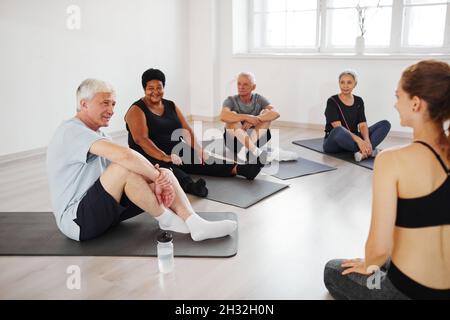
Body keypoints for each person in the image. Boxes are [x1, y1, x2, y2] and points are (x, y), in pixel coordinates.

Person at [46, 79, 237, 242]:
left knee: (166, 171)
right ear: (84, 104)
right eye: (105, 103)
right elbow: (125, 158)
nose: (111, 110)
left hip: (105, 211)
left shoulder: (100, 134)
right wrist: (156, 178)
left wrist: (159, 176)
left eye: (113, 104)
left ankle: (195, 223)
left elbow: (127, 168)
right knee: (129, 168)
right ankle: (166, 219)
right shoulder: (70, 131)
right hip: (78, 221)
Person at [324, 60, 450, 299]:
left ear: (415, 103)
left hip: (409, 290)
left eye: (398, 96)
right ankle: (359, 147)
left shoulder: (392, 161)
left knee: (332, 269)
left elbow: (379, 251)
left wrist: (370, 263)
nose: (395, 103)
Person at [124, 69, 263, 198]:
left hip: (175, 150)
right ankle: (191, 186)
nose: (155, 91)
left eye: (159, 87)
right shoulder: (136, 110)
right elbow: (140, 140)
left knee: (205, 159)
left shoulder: (170, 105)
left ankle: (242, 169)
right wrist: (164, 157)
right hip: (150, 154)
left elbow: (186, 130)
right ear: (144, 89)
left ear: (163, 87)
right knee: (169, 170)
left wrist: (199, 150)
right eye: (150, 88)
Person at [323, 70, 391, 162]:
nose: (345, 86)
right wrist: (359, 140)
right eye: (342, 82)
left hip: (353, 138)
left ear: (355, 84)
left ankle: (363, 151)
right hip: (335, 141)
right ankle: (369, 151)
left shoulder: (359, 101)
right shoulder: (332, 101)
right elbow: (338, 127)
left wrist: (366, 141)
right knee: (339, 130)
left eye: (349, 82)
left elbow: (362, 124)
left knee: (385, 124)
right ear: (339, 83)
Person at [220, 72, 281, 164]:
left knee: (267, 113)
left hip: (255, 139)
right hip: (235, 142)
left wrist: (256, 119)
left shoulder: (258, 98)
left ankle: (246, 150)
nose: (241, 87)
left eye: (245, 84)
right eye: (239, 84)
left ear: (253, 87)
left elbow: (276, 113)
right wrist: (247, 117)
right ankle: (253, 150)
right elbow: (223, 116)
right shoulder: (230, 100)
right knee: (232, 116)